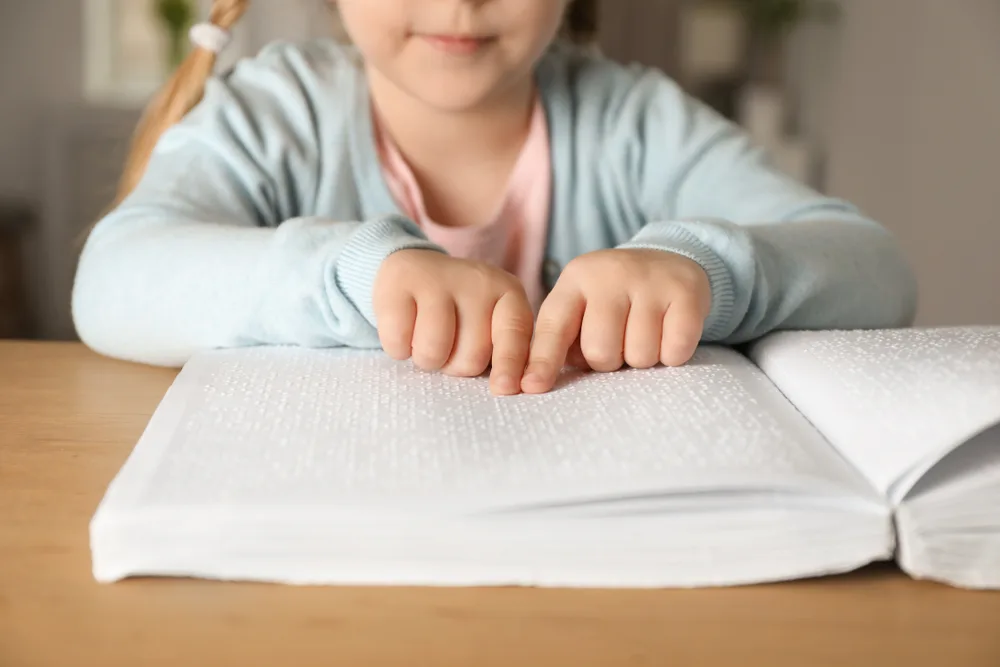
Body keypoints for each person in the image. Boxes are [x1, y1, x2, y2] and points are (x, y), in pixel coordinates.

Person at [71, 0, 918, 397]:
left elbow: (875, 268)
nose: (459, 1)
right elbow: (112, 277)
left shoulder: (634, 121)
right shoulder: (273, 114)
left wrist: (701, 267)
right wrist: (354, 273)